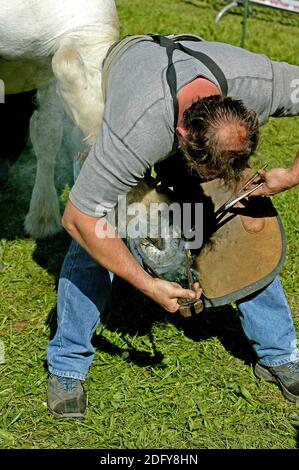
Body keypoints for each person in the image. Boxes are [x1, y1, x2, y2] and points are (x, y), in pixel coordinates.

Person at [47, 35, 299, 418]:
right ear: (182, 138)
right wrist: (148, 285)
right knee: (98, 234)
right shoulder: (135, 131)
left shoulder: (260, 83)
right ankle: (67, 363)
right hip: (135, 77)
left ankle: (279, 353)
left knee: (244, 215)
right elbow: (78, 219)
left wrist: (293, 174)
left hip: (186, 72)